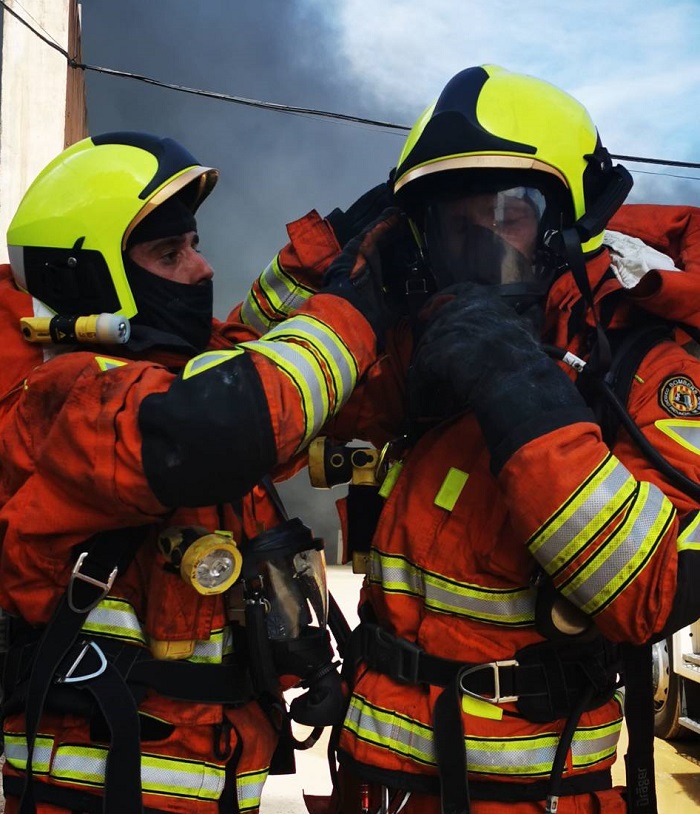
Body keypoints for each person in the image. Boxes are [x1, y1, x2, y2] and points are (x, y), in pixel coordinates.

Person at [239, 65, 700, 813]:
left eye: (505, 213)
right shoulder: (420, 354)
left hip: (529, 794)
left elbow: (641, 595)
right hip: (370, 783)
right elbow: (241, 416)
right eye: (452, 221)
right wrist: (327, 266)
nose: (477, 242)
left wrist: (521, 393)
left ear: (567, 221)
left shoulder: (641, 365)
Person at [0, 131, 393, 814]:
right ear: (90, 276)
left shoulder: (157, 386)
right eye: (169, 253)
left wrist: (323, 261)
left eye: (194, 243)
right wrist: (356, 312)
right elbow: (234, 416)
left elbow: (240, 350)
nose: (203, 268)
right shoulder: (64, 398)